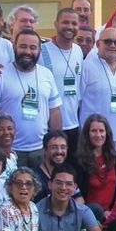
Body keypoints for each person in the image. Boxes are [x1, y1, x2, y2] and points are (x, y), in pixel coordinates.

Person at [0, 29, 62, 169]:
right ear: (14, 47)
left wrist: (55, 145)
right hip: (10, 151)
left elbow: (55, 112)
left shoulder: (46, 74)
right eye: (23, 46)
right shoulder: (0, 75)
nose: (27, 51)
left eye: (33, 47)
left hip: (41, 150)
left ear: (39, 50)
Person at [37, 164, 110, 231]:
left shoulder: (82, 210)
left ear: (75, 187)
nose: (63, 188)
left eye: (69, 184)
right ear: (50, 184)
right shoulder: (35, 211)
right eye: (59, 183)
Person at [79, 25, 116, 159]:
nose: (113, 45)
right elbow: (77, 101)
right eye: (108, 41)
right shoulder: (86, 66)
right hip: (94, 137)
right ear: (98, 44)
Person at [41, 8, 85, 145]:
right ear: (56, 24)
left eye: (74, 23)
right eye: (65, 22)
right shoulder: (42, 51)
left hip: (74, 124)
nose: (70, 27)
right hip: (49, 126)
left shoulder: (78, 50)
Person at [74, 115, 116, 217]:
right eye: (94, 131)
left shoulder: (112, 156)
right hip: (90, 214)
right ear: (87, 134)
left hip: (110, 213)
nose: (98, 135)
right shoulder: (79, 161)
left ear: (107, 133)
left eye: (101, 131)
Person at [30, 131, 74, 202]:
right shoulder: (34, 177)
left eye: (63, 147)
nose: (59, 151)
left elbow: (79, 198)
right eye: (54, 147)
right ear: (44, 150)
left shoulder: (69, 172)